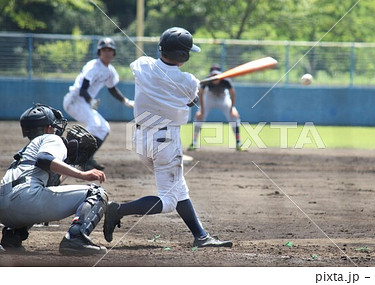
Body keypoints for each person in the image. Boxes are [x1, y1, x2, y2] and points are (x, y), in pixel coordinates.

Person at [102, 27, 232, 248]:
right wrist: (198, 84)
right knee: (169, 200)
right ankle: (119, 210)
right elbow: (192, 101)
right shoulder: (189, 81)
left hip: (141, 139)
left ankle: (200, 235)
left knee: (179, 188)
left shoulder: (143, 65)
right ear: (184, 56)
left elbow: (161, 77)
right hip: (166, 142)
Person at [0, 104, 108, 255]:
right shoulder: (51, 138)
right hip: (25, 199)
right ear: (48, 128)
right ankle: (75, 238)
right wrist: (82, 174)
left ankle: (13, 236)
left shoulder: (27, 150)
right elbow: (44, 159)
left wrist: (70, 164)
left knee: (39, 190)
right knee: (96, 192)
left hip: (4, 209)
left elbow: (52, 183)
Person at [63, 37, 134, 171]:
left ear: (114, 53)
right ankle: (69, 153)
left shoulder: (110, 71)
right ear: (99, 52)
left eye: (110, 50)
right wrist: (91, 101)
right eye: (104, 50)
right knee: (95, 125)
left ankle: (86, 159)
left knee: (104, 128)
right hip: (74, 101)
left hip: (85, 102)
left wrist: (125, 101)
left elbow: (112, 88)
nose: (107, 53)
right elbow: (83, 89)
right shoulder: (93, 67)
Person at [188, 65, 244, 151]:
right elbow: (201, 95)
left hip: (223, 98)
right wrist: (201, 111)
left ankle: (238, 143)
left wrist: (232, 109)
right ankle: (194, 143)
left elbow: (232, 93)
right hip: (209, 98)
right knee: (198, 118)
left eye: (217, 75)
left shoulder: (226, 81)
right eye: (213, 75)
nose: (215, 77)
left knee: (234, 117)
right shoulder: (207, 81)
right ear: (210, 75)